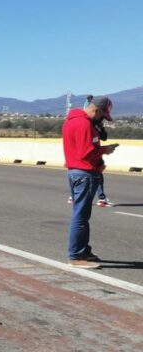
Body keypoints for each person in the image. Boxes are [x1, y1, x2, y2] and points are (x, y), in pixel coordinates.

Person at [62, 96, 117, 269]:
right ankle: (76, 256)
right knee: (81, 216)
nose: (102, 120)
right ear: (96, 110)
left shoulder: (72, 121)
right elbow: (86, 152)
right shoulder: (84, 124)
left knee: (82, 216)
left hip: (77, 172)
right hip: (84, 173)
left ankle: (83, 250)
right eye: (102, 116)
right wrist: (105, 150)